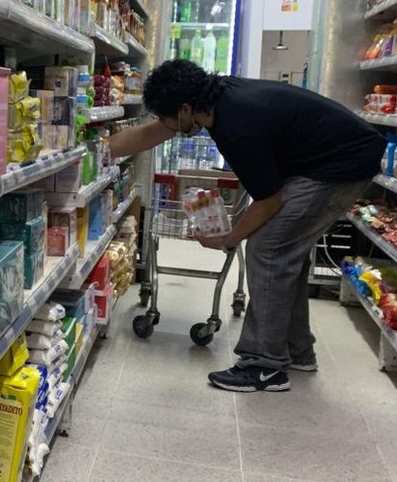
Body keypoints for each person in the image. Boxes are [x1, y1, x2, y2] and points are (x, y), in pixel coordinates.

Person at [110, 60, 386, 392]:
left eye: (167, 116)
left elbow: (270, 202)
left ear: (184, 109)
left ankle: (265, 365)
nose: (165, 124)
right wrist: (96, 150)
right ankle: (297, 351)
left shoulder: (237, 126)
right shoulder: (212, 99)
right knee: (284, 255)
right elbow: (152, 133)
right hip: (332, 157)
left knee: (267, 248)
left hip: (340, 167)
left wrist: (229, 238)